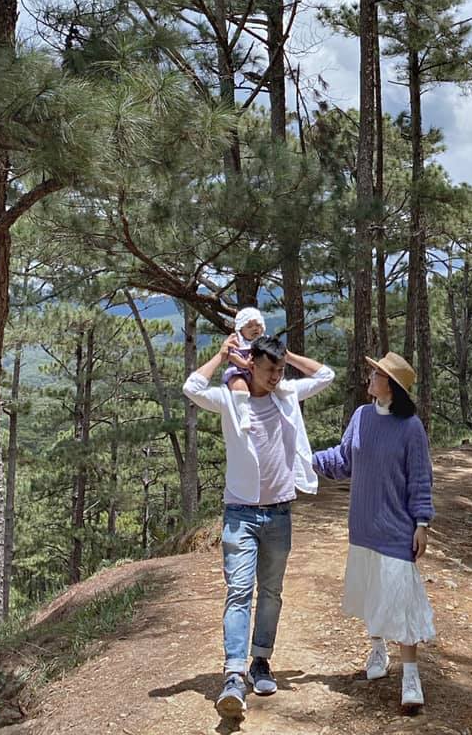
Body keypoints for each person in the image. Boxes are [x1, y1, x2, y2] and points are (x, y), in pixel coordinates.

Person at [183, 331, 335, 719]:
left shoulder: (286, 395)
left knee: (271, 592)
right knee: (239, 591)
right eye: (270, 370)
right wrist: (221, 357)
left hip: (280, 513)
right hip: (240, 513)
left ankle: (261, 662)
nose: (276, 377)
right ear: (251, 364)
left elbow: (326, 375)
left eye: (280, 370)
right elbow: (191, 387)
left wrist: (287, 356)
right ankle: (233, 675)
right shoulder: (230, 400)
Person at [312, 351, 435, 714]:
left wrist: (422, 523)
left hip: (396, 529)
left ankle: (410, 676)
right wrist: (307, 458)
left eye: (377, 374)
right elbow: (343, 460)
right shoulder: (362, 416)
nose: (370, 377)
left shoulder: (411, 427)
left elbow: (420, 478)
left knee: (403, 601)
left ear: (391, 385)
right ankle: (377, 650)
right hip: (362, 525)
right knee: (371, 590)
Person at [224, 306, 267, 430]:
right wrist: (245, 364)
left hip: (260, 372)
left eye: (258, 325)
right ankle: (244, 414)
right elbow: (231, 355)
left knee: (273, 375)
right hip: (240, 371)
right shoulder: (236, 341)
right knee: (238, 384)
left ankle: (281, 389)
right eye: (249, 326)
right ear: (241, 329)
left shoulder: (265, 341)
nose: (255, 329)